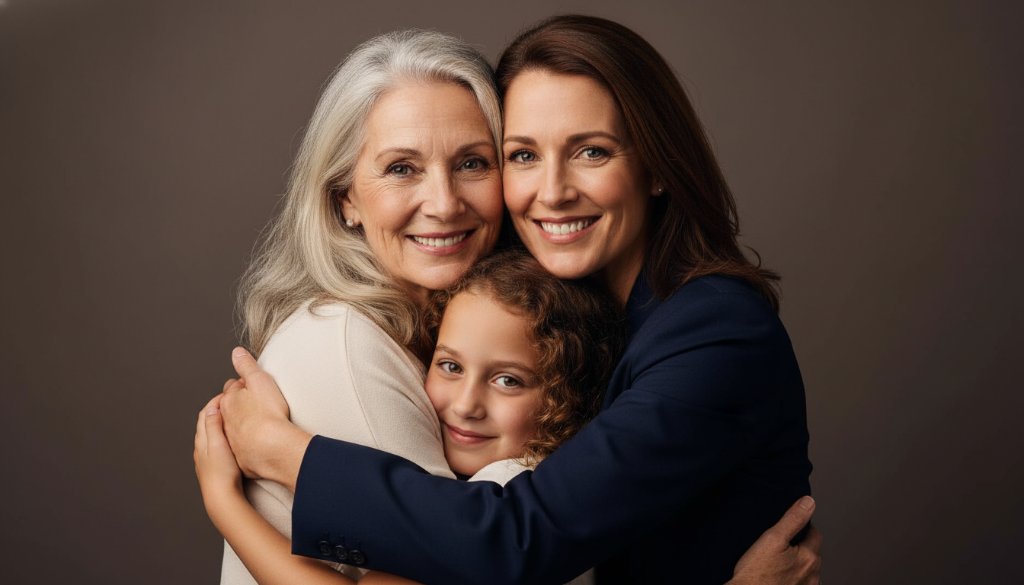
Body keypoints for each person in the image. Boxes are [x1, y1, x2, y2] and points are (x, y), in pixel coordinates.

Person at [204, 18, 821, 585]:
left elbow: (513, 540)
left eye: (592, 151)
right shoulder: (357, 342)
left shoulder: (711, 331)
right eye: (524, 155)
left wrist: (285, 458)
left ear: (658, 166)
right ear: (343, 197)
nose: (551, 192)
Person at [206, 29, 506, 584]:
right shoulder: (346, 343)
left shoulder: (463, 334)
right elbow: (470, 561)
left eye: (472, 163)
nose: (443, 202)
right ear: (346, 199)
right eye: (401, 168)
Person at [197, 250, 624, 585]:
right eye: (450, 367)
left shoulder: (509, 486)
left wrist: (223, 501)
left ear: (564, 397)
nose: (466, 404)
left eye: (508, 381)